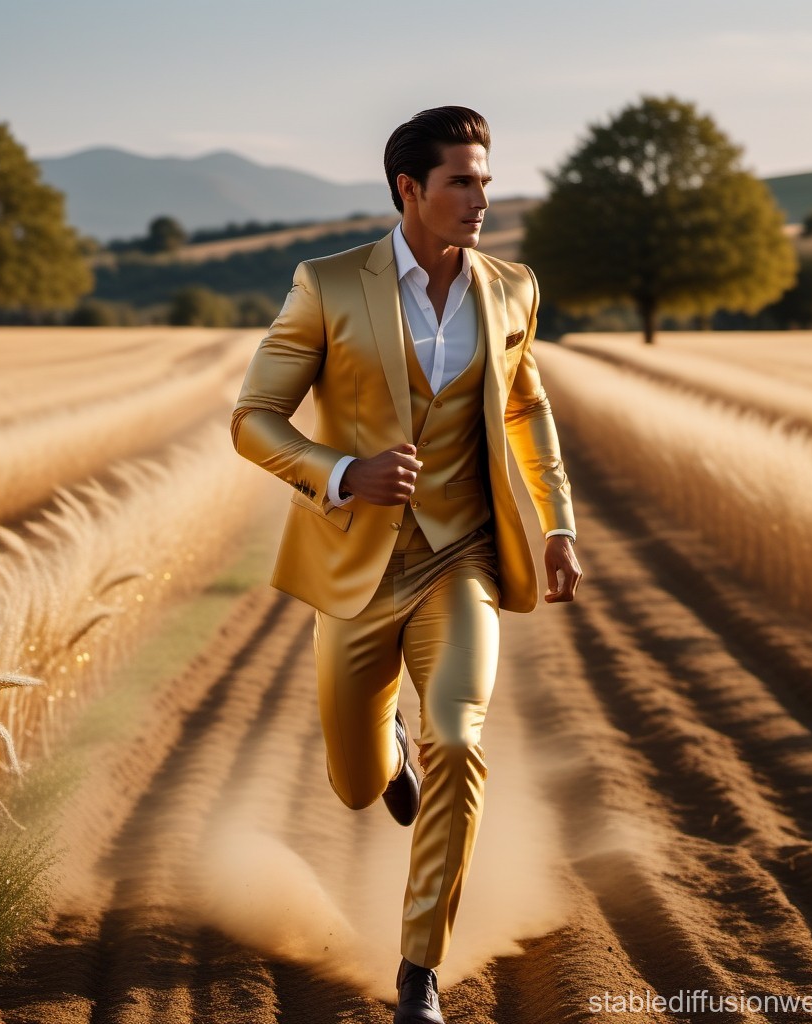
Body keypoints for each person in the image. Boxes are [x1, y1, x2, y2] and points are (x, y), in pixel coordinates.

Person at [231, 105, 582, 1024]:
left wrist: (558, 525)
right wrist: (343, 473)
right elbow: (253, 418)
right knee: (354, 785)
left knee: (460, 740)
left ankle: (420, 971)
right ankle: (383, 761)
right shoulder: (329, 284)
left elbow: (525, 407)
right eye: (462, 181)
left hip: (461, 556)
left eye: (485, 180)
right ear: (409, 190)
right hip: (355, 570)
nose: (480, 199)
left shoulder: (512, 288)